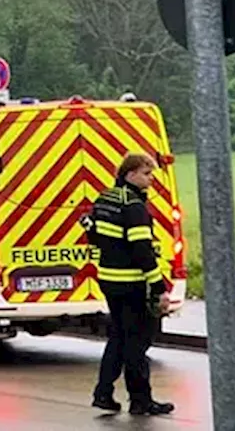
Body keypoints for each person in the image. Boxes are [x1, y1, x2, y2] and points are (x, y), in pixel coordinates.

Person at [84, 152, 174, 416]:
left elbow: (95, 238)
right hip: (132, 283)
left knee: (118, 338)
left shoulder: (105, 199)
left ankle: (103, 393)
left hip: (109, 280)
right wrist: (159, 289)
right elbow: (142, 251)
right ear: (130, 174)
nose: (151, 180)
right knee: (137, 343)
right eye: (147, 174)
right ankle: (141, 401)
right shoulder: (133, 206)